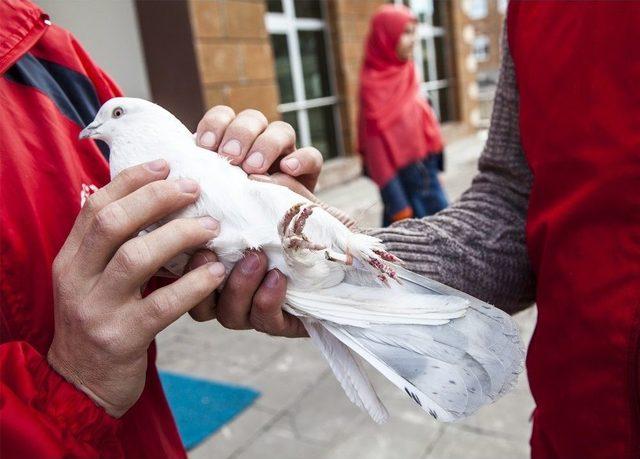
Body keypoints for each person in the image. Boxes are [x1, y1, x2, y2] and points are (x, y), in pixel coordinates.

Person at [216, 2, 640, 458]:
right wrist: (340, 261)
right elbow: (514, 205)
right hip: (581, 423)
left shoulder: (411, 74)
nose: (412, 42)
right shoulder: (537, 11)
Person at [0, 0, 320, 456]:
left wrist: (259, 205)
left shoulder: (50, 57)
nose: (97, 127)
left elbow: (144, 245)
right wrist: (72, 388)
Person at [358, 5, 448, 226]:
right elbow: (376, 154)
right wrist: (398, 205)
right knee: (410, 251)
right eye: (406, 33)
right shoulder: (373, 85)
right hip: (403, 188)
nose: (414, 39)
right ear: (385, 37)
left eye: (414, 31)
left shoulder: (407, 70)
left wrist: (435, 170)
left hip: (427, 175)